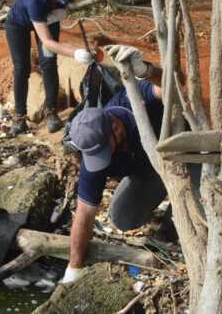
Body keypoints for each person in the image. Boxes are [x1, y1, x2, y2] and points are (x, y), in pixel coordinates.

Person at [60, 44, 198, 284]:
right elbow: (84, 212)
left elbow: (176, 85)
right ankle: (167, 199)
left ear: (115, 128)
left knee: (197, 218)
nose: (101, 158)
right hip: (148, 173)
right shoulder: (92, 149)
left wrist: (146, 71)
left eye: (104, 150)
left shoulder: (134, 100)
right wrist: (74, 268)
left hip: (187, 159)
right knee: (123, 218)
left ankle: (176, 215)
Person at [5, 0, 82, 135]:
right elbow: (47, 41)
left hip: (48, 19)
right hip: (18, 24)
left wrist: (60, 13)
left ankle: (51, 112)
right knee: (22, 68)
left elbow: (66, 5)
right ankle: (19, 117)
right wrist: (76, 53)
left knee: (48, 63)